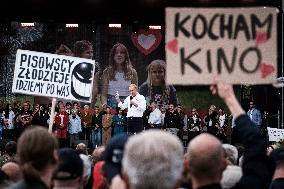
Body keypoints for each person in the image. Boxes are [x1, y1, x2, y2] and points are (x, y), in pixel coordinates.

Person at [184, 77, 274, 189]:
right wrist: (229, 98)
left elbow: (256, 140)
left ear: (186, 165)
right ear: (224, 164)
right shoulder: (249, 184)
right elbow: (256, 141)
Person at [101, 43, 138, 109]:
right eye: (116, 53)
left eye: (122, 53)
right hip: (110, 105)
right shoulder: (107, 72)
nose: (119, 55)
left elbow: (135, 94)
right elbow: (103, 94)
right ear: (113, 56)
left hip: (127, 105)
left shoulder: (133, 72)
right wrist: (104, 105)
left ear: (125, 55)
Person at [73, 40, 100, 107]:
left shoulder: (95, 67)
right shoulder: (72, 66)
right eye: (88, 52)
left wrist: (91, 105)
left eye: (92, 52)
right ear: (79, 54)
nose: (91, 55)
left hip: (89, 102)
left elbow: (95, 89)